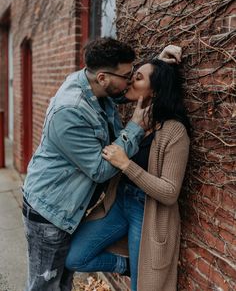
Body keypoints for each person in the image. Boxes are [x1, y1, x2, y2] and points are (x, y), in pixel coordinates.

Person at [22, 37, 181, 291]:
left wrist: (158, 66)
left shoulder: (93, 84)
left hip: (67, 207)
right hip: (50, 211)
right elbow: (101, 170)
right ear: (104, 78)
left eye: (134, 75)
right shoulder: (71, 111)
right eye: (127, 75)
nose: (130, 80)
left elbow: (125, 91)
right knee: (45, 285)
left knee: (62, 282)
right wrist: (136, 127)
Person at [65, 58, 190, 291]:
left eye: (139, 78)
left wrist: (126, 165)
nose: (131, 80)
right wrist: (160, 56)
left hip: (147, 213)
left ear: (156, 90)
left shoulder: (175, 132)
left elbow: (170, 192)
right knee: (74, 257)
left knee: (141, 287)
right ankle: (127, 265)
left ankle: (138, 272)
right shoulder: (138, 120)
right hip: (119, 203)